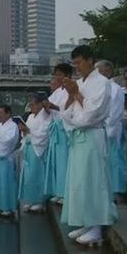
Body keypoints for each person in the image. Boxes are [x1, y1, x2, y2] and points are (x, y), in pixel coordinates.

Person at [61, 45, 118, 246]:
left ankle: (96, 227)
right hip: (79, 137)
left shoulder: (102, 83)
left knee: (94, 180)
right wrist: (70, 95)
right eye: (74, 64)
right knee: (79, 181)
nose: (76, 67)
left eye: (79, 63)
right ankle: (86, 220)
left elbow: (92, 115)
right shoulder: (80, 83)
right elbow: (66, 114)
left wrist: (77, 94)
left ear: (90, 60)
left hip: (93, 136)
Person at [95, 60, 127, 198]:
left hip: (112, 128)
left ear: (107, 72)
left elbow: (115, 113)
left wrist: (107, 128)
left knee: (115, 158)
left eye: (99, 72)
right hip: (101, 128)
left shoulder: (115, 89)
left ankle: (117, 189)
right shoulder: (101, 88)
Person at [43, 63, 72, 205]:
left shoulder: (70, 89)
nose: (57, 77)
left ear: (66, 75)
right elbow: (51, 109)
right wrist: (47, 107)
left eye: (59, 74)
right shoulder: (57, 92)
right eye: (56, 74)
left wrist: (54, 107)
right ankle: (57, 191)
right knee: (55, 162)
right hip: (55, 129)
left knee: (64, 162)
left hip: (64, 128)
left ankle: (65, 193)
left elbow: (68, 108)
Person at [18, 92, 52, 213]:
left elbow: (44, 134)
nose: (31, 107)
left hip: (38, 149)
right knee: (28, 176)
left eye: (32, 104)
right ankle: (31, 200)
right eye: (30, 104)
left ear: (39, 105)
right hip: (29, 147)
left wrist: (28, 131)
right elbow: (28, 133)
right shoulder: (31, 117)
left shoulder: (47, 117)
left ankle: (39, 201)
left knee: (36, 175)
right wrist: (24, 131)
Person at [0, 104, 20, 218]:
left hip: (6, 158)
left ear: (8, 113)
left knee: (7, 184)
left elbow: (10, 141)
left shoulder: (13, 126)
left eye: (1, 113)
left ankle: (8, 208)